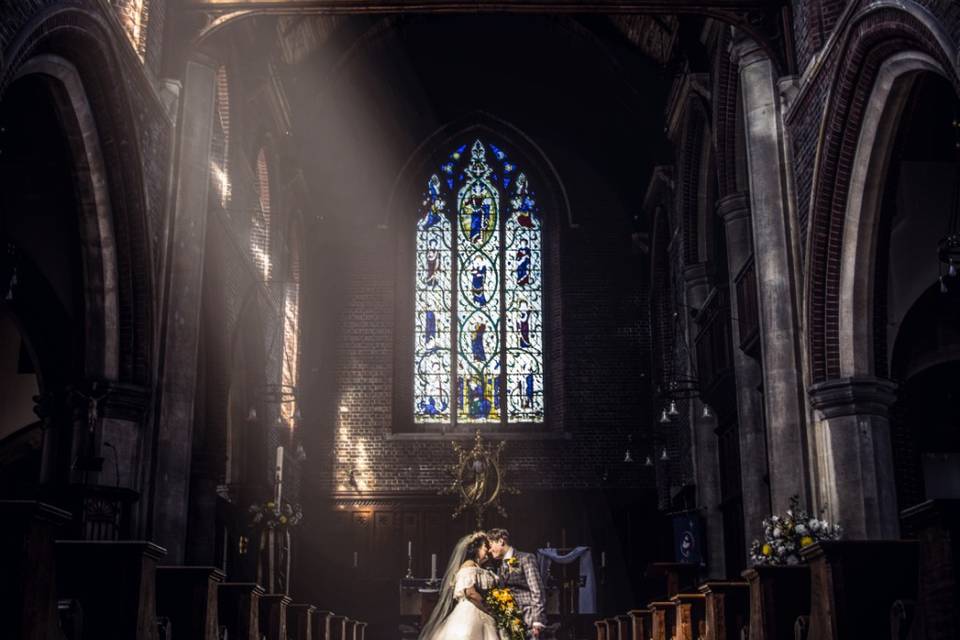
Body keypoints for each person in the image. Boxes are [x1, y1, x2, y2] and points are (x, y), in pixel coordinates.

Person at [418, 533, 500, 640]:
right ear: (476, 549)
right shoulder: (469, 565)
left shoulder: (482, 567)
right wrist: (488, 608)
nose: (488, 551)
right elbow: (470, 593)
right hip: (471, 611)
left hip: (482, 609)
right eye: (485, 547)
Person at [487, 528, 547, 637]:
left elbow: (537, 590)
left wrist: (537, 621)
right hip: (511, 619)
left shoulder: (525, 558)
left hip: (528, 618)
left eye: (491, 545)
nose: (489, 550)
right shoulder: (500, 566)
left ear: (501, 541)